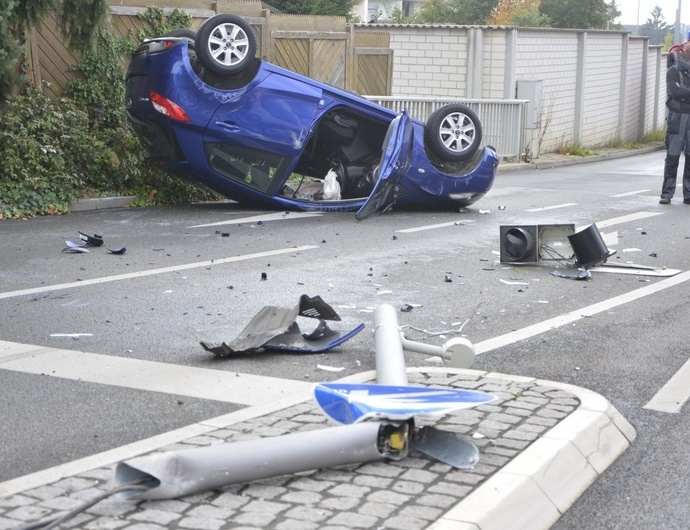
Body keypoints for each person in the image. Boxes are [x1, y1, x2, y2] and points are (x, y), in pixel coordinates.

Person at [660, 40, 690, 205]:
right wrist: (684, 93)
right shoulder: (673, 71)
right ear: (681, 52)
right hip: (676, 117)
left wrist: (684, 93)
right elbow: (675, 91)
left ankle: (689, 194)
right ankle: (667, 193)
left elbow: (681, 92)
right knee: (672, 157)